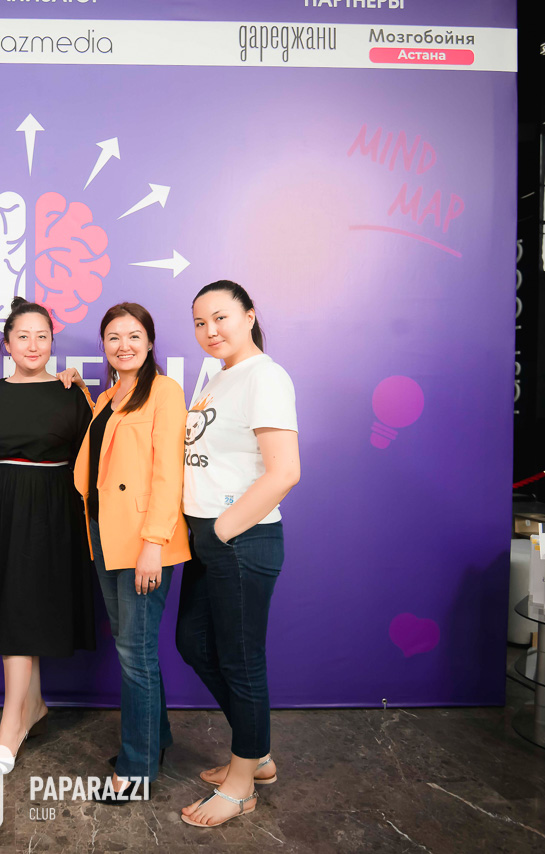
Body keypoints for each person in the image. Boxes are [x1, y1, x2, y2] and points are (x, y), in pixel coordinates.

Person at [175, 280, 300, 828]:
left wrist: (223, 529)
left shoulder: (264, 376)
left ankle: (242, 783)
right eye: (200, 323)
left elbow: (285, 471)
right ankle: (257, 752)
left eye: (221, 317)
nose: (210, 330)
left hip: (242, 539)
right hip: (208, 539)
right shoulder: (217, 377)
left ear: (249, 316)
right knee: (194, 642)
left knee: (242, 661)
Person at [0, 297, 96, 776]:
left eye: (43, 336)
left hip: (55, 511)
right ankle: (32, 708)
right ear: (7, 344)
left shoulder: (69, 392)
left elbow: (99, 449)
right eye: (23, 336)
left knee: (28, 609)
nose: (33, 345)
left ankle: (11, 728)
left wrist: (84, 389)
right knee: (15, 607)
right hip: (2, 510)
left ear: (53, 342)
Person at [72, 302, 190, 803]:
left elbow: (168, 474)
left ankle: (137, 769)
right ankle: (155, 739)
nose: (124, 345)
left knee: (134, 653)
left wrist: (154, 545)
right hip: (104, 533)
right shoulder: (108, 396)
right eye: (114, 337)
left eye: (134, 335)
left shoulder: (165, 391)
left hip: (144, 540)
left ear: (150, 342)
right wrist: (77, 388)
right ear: (104, 345)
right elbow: (104, 453)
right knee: (131, 646)